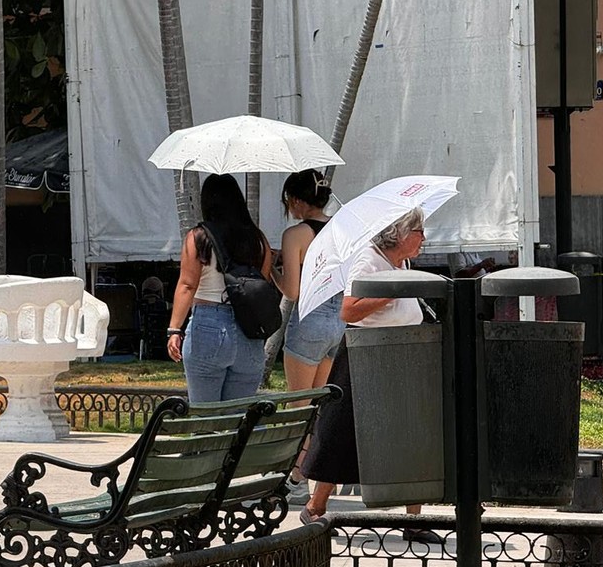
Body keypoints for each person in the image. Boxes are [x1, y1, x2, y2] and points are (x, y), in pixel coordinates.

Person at [299, 208, 442, 545]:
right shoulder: (369, 259)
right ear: (401, 234)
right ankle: (316, 505)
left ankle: (414, 519)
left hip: (402, 354)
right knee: (343, 433)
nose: (424, 238)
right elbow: (349, 310)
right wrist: (392, 291)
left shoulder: (400, 263)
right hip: (367, 356)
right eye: (419, 231)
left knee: (411, 435)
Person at [167, 174, 274, 403]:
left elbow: (187, 285)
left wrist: (175, 329)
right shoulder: (257, 240)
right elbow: (260, 285)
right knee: (237, 420)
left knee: (204, 417)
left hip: (208, 326)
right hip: (249, 330)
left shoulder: (198, 237)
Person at [273, 170, 343, 489]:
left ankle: (296, 474)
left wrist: (270, 272)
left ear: (299, 201)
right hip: (338, 321)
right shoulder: (342, 228)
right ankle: (314, 470)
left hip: (310, 318)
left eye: (289, 202)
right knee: (319, 402)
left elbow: (291, 291)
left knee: (298, 403)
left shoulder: (296, 234)